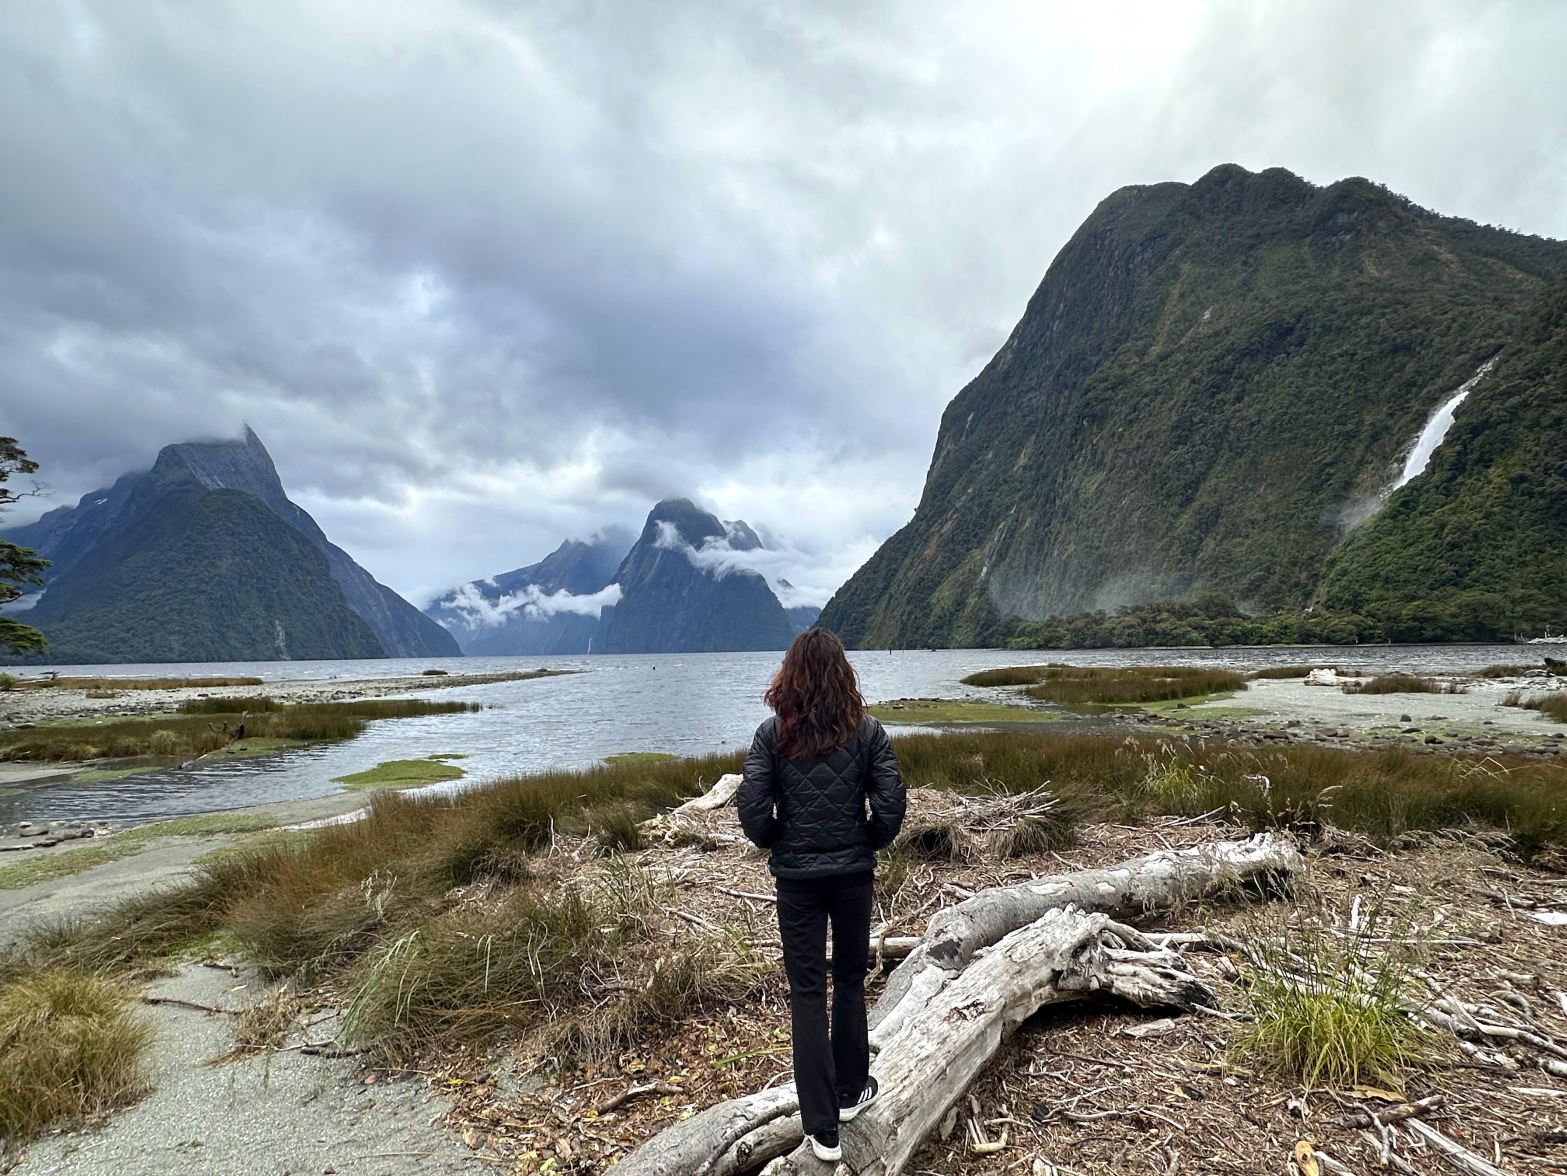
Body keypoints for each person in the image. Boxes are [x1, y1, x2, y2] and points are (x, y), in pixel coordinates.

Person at [737, 627, 907, 1162]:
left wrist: (777, 843)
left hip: (797, 882)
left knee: (807, 993)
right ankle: (851, 1092)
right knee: (851, 979)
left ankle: (822, 1128)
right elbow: (892, 803)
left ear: (791, 676)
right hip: (853, 875)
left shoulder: (773, 734)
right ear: (843, 675)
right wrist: (867, 842)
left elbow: (751, 807)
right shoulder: (868, 731)